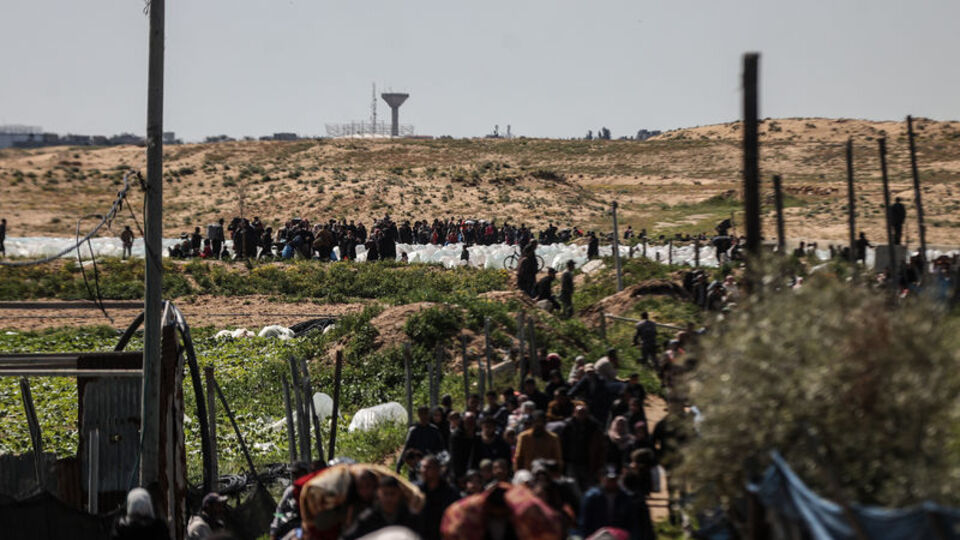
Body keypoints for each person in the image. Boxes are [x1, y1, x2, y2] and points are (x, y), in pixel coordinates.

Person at [341, 475, 419, 540]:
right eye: (385, 494)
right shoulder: (368, 518)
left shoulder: (412, 517)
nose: (389, 498)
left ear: (399, 494)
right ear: (379, 494)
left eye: (392, 494)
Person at [578, 467, 635, 537]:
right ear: (602, 479)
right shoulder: (591, 497)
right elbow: (585, 521)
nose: (612, 482)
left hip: (618, 536)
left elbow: (631, 521)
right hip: (596, 536)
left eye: (614, 480)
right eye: (609, 480)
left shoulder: (625, 497)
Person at [416, 455, 460, 540]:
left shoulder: (450, 492)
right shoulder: (416, 491)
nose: (424, 471)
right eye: (423, 467)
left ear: (437, 470)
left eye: (428, 468)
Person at [396, 406, 447, 473]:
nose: (424, 416)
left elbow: (441, 449)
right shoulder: (414, 431)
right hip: (416, 466)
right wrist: (399, 465)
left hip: (431, 466)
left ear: (429, 415)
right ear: (419, 415)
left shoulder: (434, 430)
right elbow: (406, 448)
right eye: (422, 414)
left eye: (425, 414)